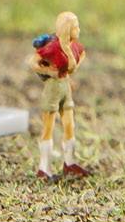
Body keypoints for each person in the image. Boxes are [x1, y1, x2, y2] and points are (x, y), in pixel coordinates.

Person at [27, 9, 87, 178]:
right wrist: (48, 71)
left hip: (65, 88)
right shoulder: (53, 48)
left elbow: (81, 56)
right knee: (49, 126)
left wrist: (68, 74)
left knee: (69, 125)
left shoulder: (74, 46)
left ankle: (70, 161)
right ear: (68, 28)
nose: (79, 30)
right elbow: (33, 61)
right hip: (53, 89)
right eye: (76, 27)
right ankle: (44, 167)